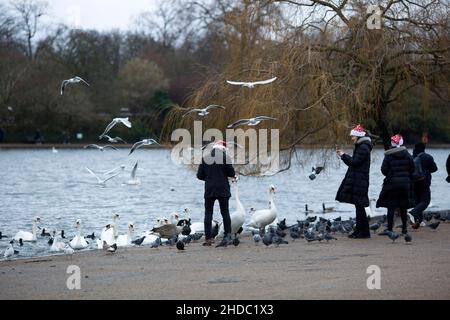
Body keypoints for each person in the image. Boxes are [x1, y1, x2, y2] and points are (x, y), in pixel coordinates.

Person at [197, 140, 237, 247]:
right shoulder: (225, 158)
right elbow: (232, 173)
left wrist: (210, 179)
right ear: (223, 149)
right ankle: (227, 235)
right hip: (223, 188)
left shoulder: (205, 158)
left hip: (210, 189)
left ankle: (208, 238)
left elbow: (199, 175)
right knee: (225, 212)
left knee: (208, 213)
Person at [336, 124, 372, 239]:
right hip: (358, 179)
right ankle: (360, 231)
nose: (351, 138)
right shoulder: (361, 146)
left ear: (357, 136)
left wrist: (343, 155)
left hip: (359, 180)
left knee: (359, 206)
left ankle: (364, 232)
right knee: (358, 206)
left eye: (353, 136)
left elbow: (355, 162)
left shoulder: (363, 147)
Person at [376, 134, 415, 235]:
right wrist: (406, 175)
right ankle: (404, 229)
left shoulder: (388, 155)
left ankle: (390, 229)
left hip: (392, 184)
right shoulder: (407, 154)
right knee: (403, 206)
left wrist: (391, 174)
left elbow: (383, 170)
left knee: (391, 207)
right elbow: (412, 168)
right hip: (405, 184)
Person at [410, 143, 438, 228]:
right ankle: (413, 212)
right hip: (424, 182)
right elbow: (434, 169)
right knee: (425, 201)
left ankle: (419, 221)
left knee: (417, 201)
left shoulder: (411, 157)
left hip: (414, 182)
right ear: (423, 149)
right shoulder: (427, 157)